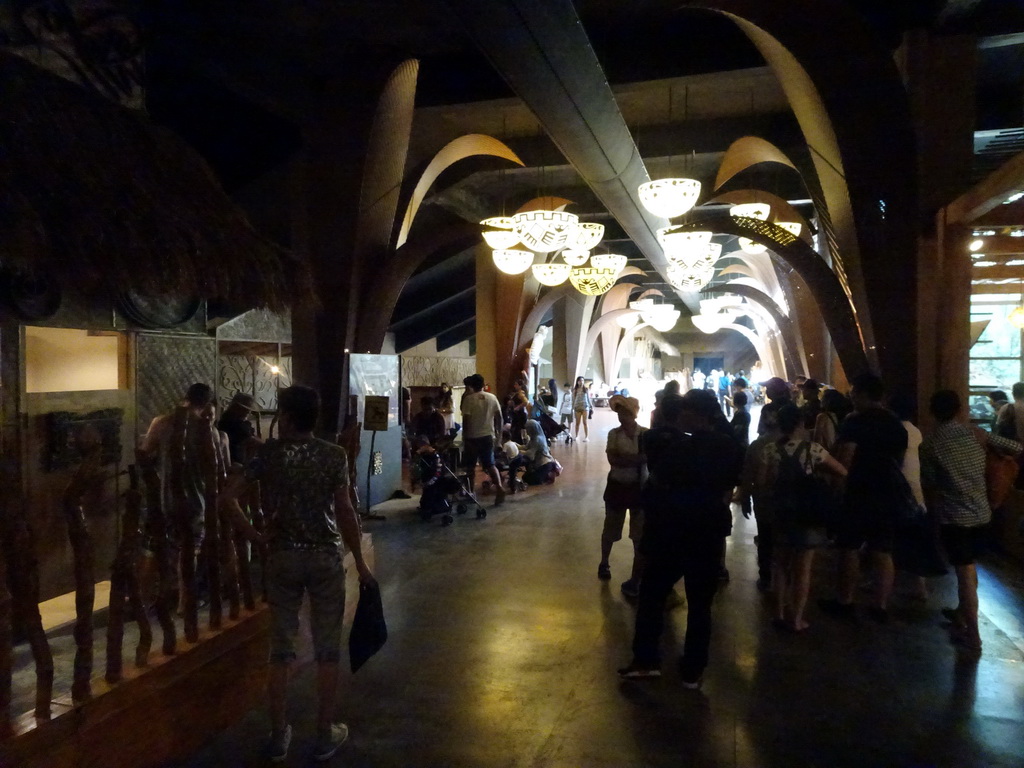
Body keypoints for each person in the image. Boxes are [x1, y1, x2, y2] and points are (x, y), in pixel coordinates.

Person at [221, 385, 374, 762]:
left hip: (282, 558)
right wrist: (361, 560)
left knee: (281, 650)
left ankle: (278, 736)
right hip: (324, 557)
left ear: (286, 417)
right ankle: (324, 733)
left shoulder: (267, 456)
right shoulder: (333, 455)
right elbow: (345, 512)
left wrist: (256, 536)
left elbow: (227, 499)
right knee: (326, 649)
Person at [619, 390, 743, 686]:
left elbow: (658, 483)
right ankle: (693, 670)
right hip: (709, 531)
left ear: (695, 414)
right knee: (701, 605)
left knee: (652, 595)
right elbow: (729, 488)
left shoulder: (680, 447)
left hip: (672, 531)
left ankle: (647, 659)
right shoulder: (729, 446)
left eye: (686, 411)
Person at [921, 390, 1021, 653]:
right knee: (970, 566)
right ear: (959, 410)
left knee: (964, 570)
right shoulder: (975, 434)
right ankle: (961, 612)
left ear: (933, 412)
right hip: (983, 513)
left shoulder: (929, 445)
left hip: (954, 517)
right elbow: (1018, 448)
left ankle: (973, 634)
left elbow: (930, 485)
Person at [819, 372, 907, 622]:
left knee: (848, 547)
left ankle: (845, 600)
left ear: (865, 394)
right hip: (887, 491)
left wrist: (836, 487)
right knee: (883, 550)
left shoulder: (855, 422)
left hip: (859, 490)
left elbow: (845, 457)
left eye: (855, 392)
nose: (852, 397)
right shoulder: (895, 424)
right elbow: (898, 461)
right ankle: (880, 605)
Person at [759, 404, 846, 631]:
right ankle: (796, 619)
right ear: (800, 424)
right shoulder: (812, 450)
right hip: (807, 513)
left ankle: (778, 614)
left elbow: (764, 483)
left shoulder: (770, 450)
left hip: (781, 512)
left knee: (779, 564)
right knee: (803, 567)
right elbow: (842, 471)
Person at [599, 395, 647, 598]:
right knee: (610, 527)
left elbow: (639, 458)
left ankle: (637, 573)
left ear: (632, 414)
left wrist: (625, 459)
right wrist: (635, 460)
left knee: (639, 534)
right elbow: (613, 459)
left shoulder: (644, 434)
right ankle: (604, 562)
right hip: (618, 486)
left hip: (638, 488)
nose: (620, 416)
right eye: (619, 412)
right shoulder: (614, 434)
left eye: (624, 412)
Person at [460, 373, 506, 504]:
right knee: (490, 464)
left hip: (472, 437)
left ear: (471, 385)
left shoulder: (469, 399)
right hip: (487, 436)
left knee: (470, 467)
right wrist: (499, 435)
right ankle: (499, 488)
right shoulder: (492, 397)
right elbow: (499, 418)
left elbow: (466, 420)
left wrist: (465, 437)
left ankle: (471, 492)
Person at [217, 391, 260, 465]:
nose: (249, 411)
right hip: (234, 459)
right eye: (246, 408)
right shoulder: (230, 421)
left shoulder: (242, 422)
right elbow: (250, 439)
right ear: (237, 407)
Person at [521, 419, 558, 485]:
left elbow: (531, 455)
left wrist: (520, 452)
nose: (527, 431)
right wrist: (516, 446)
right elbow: (527, 447)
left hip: (544, 464)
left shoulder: (537, 439)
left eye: (528, 429)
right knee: (525, 477)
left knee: (529, 480)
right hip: (542, 463)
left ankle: (548, 475)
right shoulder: (535, 437)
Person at [572, 376, 592, 442]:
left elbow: (588, 398)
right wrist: (573, 407)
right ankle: (577, 436)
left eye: (582, 380)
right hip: (577, 407)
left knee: (585, 422)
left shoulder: (586, 389)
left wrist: (591, 406)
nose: (581, 382)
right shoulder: (575, 390)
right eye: (580, 380)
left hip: (585, 407)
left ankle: (587, 437)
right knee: (577, 423)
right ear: (577, 382)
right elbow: (573, 399)